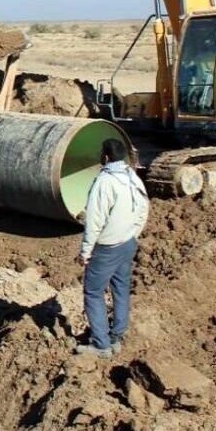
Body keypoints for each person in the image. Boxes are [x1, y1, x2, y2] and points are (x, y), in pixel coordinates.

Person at [76, 138, 149, 359]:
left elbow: (94, 221)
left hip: (108, 247)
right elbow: (144, 207)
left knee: (93, 292)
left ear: (105, 157)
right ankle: (117, 334)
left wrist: (86, 252)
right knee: (120, 288)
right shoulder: (132, 177)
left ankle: (101, 345)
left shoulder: (104, 182)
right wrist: (133, 234)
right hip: (128, 243)